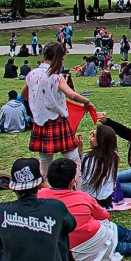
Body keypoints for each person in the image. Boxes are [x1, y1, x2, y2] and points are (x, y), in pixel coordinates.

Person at [40, 159, 131, 261]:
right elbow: (105, 217)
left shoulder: (39, 196)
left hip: (56, 253)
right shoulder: (82, 197)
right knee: (107, 229)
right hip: (85, 246)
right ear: (71, 181)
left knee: (102, 243)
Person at [24, 43, 93, 175]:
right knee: (73, 159)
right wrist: (86, 101)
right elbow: (71, 94)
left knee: (44, 162)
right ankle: (78, 189)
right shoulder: (56, 77)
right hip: (58, 121)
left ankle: (44, 191)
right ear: (60, 57)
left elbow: (24, 95)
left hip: (40, 122)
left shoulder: (32, 74)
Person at [79, 123, 121, 207]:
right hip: (106, 200)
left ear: (100, 140)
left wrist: (79, 150)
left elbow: (80, 179)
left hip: (89, 200)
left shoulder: (86, 157)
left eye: (93, 136)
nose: (90, 138)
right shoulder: (114, 156)